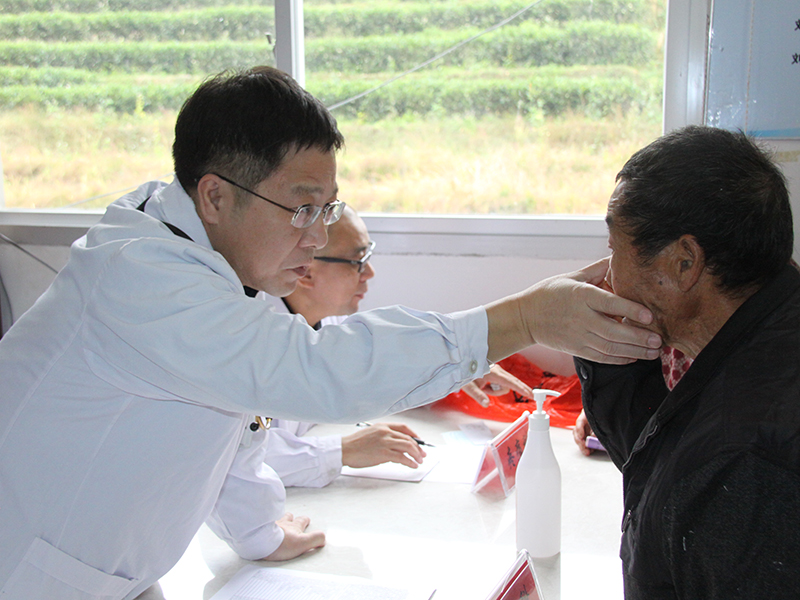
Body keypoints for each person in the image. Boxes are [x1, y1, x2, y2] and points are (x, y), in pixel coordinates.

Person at [0, 66, 661, 599]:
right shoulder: (143, 279)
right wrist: (524, 318)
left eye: (328, 207)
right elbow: (313, 371)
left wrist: (259, 533)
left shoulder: (209, 256)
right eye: (301, 209)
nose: (317, 237)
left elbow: (231, 417)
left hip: (105, 568)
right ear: (215, 196)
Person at [208, 205, 536, 561]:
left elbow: (362, 370)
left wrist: (445, 368)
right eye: (357, 261)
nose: (370, 273)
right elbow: (232, 457)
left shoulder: (324, 324)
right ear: (305, 271)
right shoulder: (251, 343)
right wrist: (343, 450)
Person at [575, 125, 800, 599]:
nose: (607, 275)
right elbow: (660, 464)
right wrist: (605, 348)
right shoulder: (767, 323)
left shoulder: (742, 463)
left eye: (615, 251)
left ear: (684, 263)